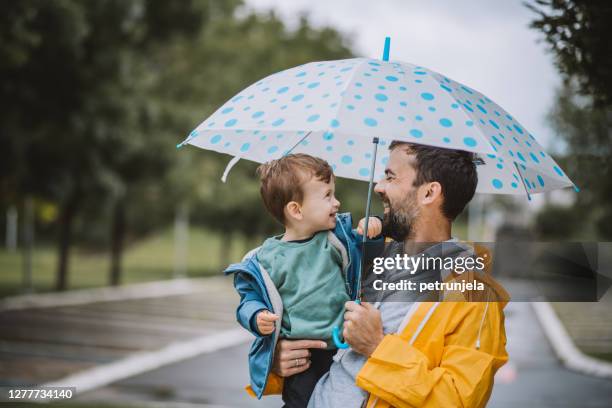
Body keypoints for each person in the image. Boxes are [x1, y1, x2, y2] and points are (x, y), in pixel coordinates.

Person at [263, 142, 510, 408]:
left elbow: (458, 400)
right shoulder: (362, 254)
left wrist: (377, 347)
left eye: (390, 177)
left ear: (429, 192)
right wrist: (278, 359)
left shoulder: (473, 293)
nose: (378, 186)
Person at [224, 153, 382, 407]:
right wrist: (256, 316)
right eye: (327, 195)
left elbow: (367, 260)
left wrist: (372, 234)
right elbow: (249, 297)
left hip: (343, 347)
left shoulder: (336, 240)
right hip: (302, 356)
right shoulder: (266, 259)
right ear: (296, 210)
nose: (337, 203)